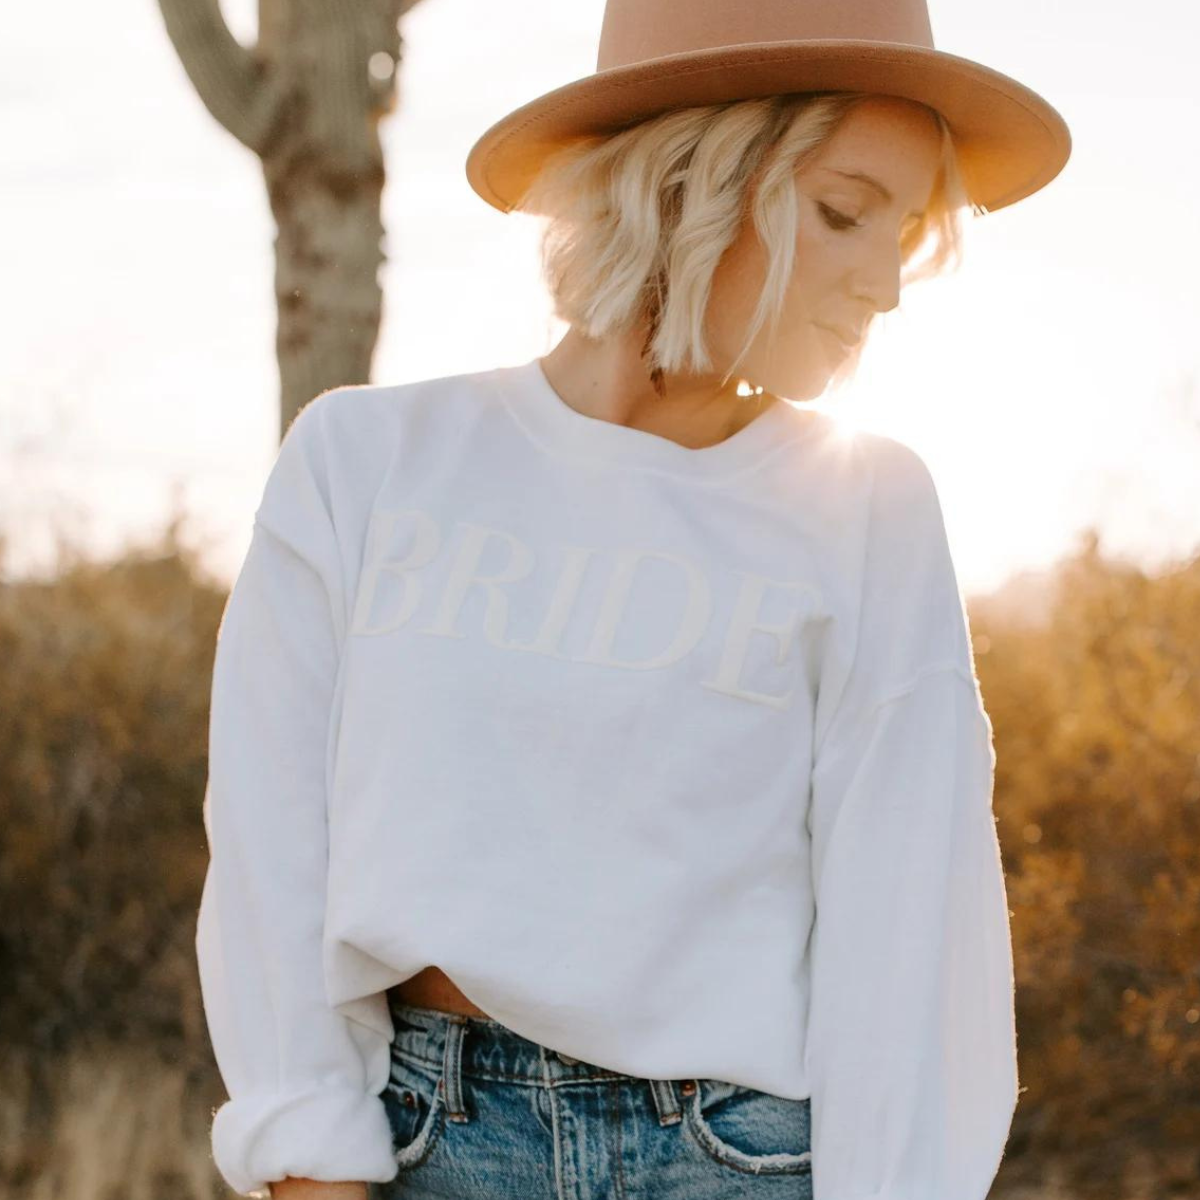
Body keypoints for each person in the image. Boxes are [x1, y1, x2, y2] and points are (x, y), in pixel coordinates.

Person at [195, 1, 1071, 1198]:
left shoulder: (869, 509)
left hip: (743, 1160)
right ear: (692, 180)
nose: (888, 285)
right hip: (427, 1146)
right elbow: (270, 849)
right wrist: (308, 1158)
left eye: (903, 231)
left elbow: (911, 931)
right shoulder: (364, 463)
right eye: (844, 211)